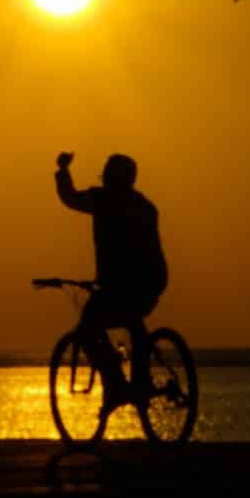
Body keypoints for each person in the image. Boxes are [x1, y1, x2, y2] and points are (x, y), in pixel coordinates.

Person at [52, 151, 168, 407]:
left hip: (123, 284)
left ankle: (116, 383)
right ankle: (139, 382)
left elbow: (70, 197)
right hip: (151, 282)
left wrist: (63, 170)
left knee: (86, 330)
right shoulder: (146, 207)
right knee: (133, 322)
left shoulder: (102, 200)